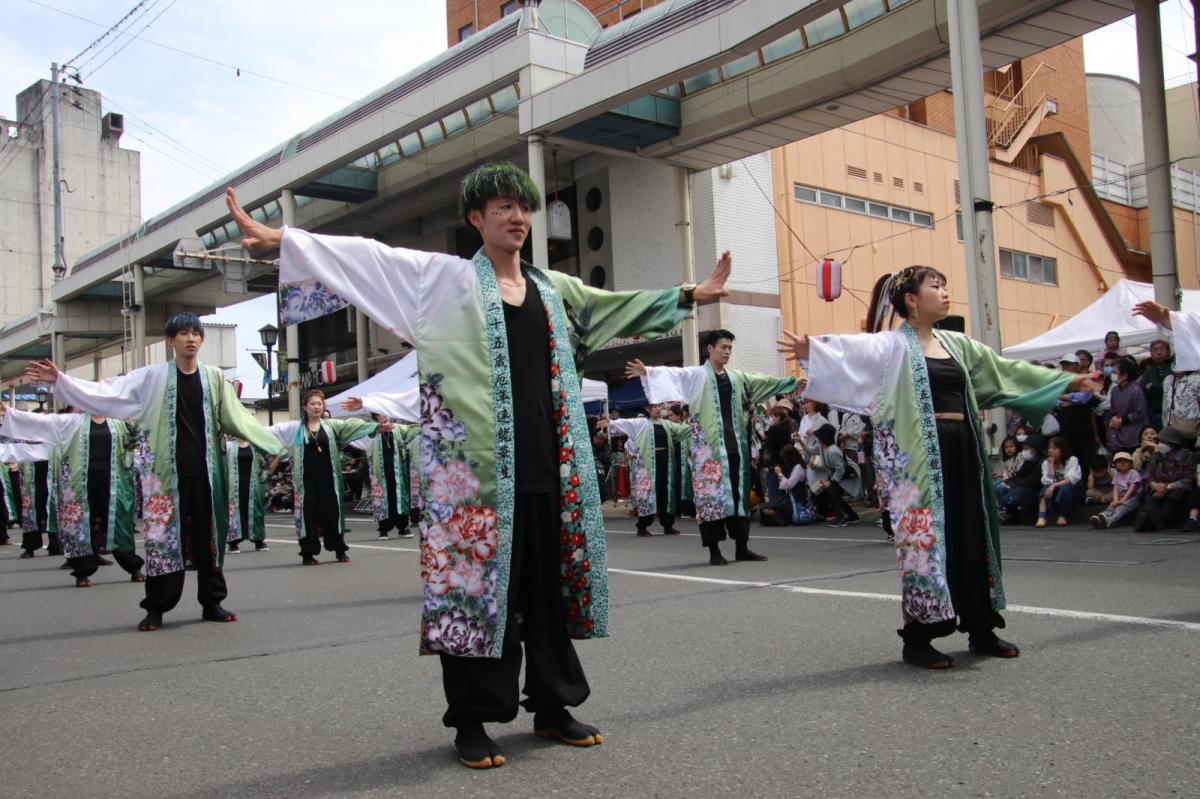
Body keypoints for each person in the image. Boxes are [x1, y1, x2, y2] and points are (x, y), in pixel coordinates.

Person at [227, 161, 730, 769]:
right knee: (476, 595)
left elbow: (612, 307)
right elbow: (370, 257)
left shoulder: (552, 290)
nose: (517, 218)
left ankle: (552, 705)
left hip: (551, 467)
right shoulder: (442, 281)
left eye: (523, 209)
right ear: (476, 219)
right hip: (475, 481)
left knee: (546, 593)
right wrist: (289, 239)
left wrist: (686, 296)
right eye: (502, 209)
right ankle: (472, 719)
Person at [777, 265, 1094, 669]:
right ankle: (919, 638)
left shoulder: (958, 345)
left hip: (964, 454)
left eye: (945, 285)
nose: (945, 293)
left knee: (971, 536)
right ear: (911, 300)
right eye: (936, 286)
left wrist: (1068, 382)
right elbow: (851, 350)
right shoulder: (892, 346)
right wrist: (814, 349)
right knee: (925, 544)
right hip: (920, 463)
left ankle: (981, 628)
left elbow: (1007, 372)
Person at [24, 313, 285, 631]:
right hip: (164, 477)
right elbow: (110, 391)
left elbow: (236, 418)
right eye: (184, 333)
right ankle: (157, 607)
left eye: (196, 333)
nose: (191, 339)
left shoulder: (215, 378)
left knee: (209, 539)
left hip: (207, 475)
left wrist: (273, 443)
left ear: (201, 340)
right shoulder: (152, 377)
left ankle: (212, 601)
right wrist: (62, 381)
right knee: (162, 541)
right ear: (170, 340)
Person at [628, 329, 796, 566]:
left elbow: (762, 380)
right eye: (723, 347)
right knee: (710, 499)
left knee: (739, 498)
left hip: (736, 446)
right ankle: (715, 551)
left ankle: (742, 547)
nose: (727, 351)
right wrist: (648, 371)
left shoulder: (737, 378)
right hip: (708, 451)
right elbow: (674, 375)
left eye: (729, 347)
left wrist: (791, 380)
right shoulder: (697, 375)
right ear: (710, 348)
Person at [0, 406, 146, 586]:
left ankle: (133, 567)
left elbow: (142, 429)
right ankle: (82, 572)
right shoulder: (72, 422)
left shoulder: (119, 422)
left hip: (114, 483)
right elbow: (45, 422)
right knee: (81, 527)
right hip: (80, 485)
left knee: (118, 525)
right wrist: (11, 413)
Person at [268, 390, 377, 564]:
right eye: (313, 404)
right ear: (305, 407)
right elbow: (271, 432)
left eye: (319, 404)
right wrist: (245, 431)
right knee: (307, 514)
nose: (317, 407)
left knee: (332, 512)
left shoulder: (331, 426)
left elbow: (352, 425)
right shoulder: (294, 428)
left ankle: (339, 549)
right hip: (305, 480)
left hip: (329, 478)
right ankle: (308, 553)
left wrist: (376, 426)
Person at [608, 412, 689, 536]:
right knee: (648, 492)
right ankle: (643, 526)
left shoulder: (666, 424)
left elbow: (682, 429)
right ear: (648, 408)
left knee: (665, 491)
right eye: (654, 406)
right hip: (649, 461)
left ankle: (668, 524)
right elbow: (627, 423)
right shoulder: (642, 422)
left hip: (665, 460)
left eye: (659, 406)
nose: (657, 409)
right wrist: (612, 422)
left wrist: (695, 421)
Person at [1131, 425, 1196, 532]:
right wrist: (1154, 485)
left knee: (1171, 500)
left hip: (1176, 490)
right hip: (1157, 488)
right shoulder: (1157, 455)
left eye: (1163, 442)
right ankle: (1159, 526)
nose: (1160, 445)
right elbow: (1148, 474)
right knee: (1149, 499)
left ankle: (1150, 523)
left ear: (1173, 444)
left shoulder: (1187, 456)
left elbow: (1189, 479)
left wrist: (1167, 487)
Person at [0, 442, 56, 559]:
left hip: (51, 450)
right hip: (30, 451)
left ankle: (55, 543)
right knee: (30, 501)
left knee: (53, 497)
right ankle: (30, 545)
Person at [225, 437, 274, 553]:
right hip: (234, 486)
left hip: (254, 485)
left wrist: (264, 478)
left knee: (256, 512)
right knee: (234, 512)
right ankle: (233, 542)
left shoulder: (256, 445)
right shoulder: (229, 445)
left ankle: (259, 541)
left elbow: (267, 463)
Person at [811, 423, 861, 527]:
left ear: (824, 437)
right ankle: (852, 515)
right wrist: (801, 442)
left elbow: (840, 469)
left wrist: (831, 481)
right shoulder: (822, 447)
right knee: (834, 493)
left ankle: (841, 518)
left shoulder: (832, 451)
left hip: (847, 474)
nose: (817, 437)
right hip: (839, 474)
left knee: (832, 491)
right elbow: (810, 451)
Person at [995, 435, 1045, 525]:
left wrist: (1012, 485)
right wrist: (1006, 482)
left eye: (1027, 449)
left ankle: (1026, 515)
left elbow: (1032, 481)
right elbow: (1018, 475)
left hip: (1034, 490)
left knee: (1015, 495)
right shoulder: (1028, 461)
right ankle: (1012, 515)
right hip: (1022, 487)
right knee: (999, 488)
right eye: (1024, 449)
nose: (1025, 451)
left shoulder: (1041, 462)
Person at [1103, 358, 1147, 455]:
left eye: (1115, 372)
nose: (1112, 375)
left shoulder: (1136, 390)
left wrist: (1123, 420)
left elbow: (1140, 412)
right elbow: (1113, 408)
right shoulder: (1115, 390)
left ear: (1124, 375)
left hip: (1133, 432)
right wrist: (1113, 418)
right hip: (1118, 432)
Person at [1037, 436, 1083, 528]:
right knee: (1045, 489)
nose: (1051, 451)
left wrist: (1054, 485)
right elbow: (1046, 481)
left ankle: (1063, 515)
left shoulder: (1072, 460)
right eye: (1049, 448)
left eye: (1054, 448)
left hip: (1071, 490)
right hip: (1053, 489)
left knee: (1064, 488)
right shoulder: (1046, 463)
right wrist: (1051, 466)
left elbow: (1071, 479)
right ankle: (1042, 516)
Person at [1090, 452, 1142, 529]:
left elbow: (1132, 487)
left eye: (1125, 461)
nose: (1122, 463)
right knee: (1112, 505)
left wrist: (1124, 500)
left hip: (1132, 497)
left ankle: (1110, 521)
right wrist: (1115, 500)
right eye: (1119, 461)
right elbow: (1115, 488)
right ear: (1115, 464)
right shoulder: (1117, 474)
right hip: (1121, 496)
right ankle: (1101, 517)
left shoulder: (1133, 473)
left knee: (1121, 508)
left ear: (1130, 464)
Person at [1139, 340, 1174, 429]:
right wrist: (1161, 387)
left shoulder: (1174, 369)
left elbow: (1172, 388)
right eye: (1155, 350)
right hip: (1155, 415)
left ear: (1168, 351)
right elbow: (1143, 391)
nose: (1159, 352)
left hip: (1174, 414)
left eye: (1162, 349)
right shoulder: (1148, 372)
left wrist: (1154, 386)